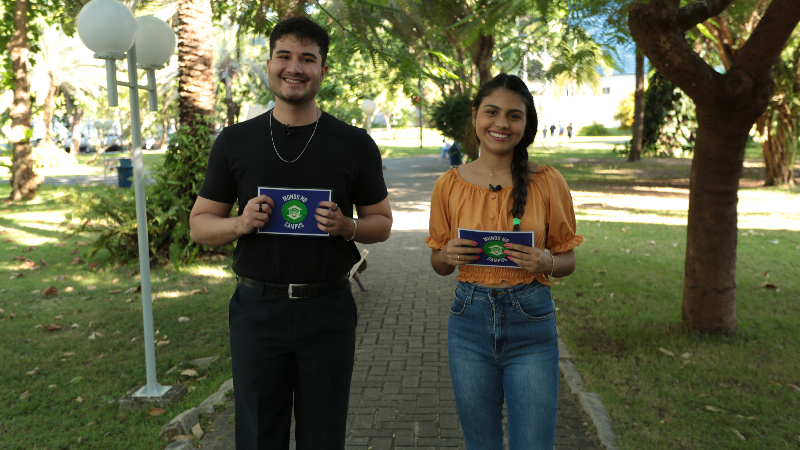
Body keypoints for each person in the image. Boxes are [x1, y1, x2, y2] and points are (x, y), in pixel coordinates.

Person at [189, 17, 392, 450]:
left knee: (323, 435)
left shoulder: (354, 144)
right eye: (285, 56)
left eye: (307, 59)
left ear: (323, 70)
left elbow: (383, 223)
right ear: (269, 65)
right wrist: (240, 223)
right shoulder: (234, 141)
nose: (294, 68)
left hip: (328, 310)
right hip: (257, 311)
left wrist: (348, 226)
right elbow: (201, 224)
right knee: (259, 434)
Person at [425, 73, 582, 449]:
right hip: (468, 323)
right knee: (481, 443)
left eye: (514, 115)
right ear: (476, 115)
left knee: (534, 442)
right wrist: (445, 256)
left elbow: (568, 259)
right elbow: (438, 262)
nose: (501, 124)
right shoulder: (448, 184)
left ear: (526, 125)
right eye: (491, 112)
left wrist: (547, 262)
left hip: (531, 320)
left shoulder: (547, 182)